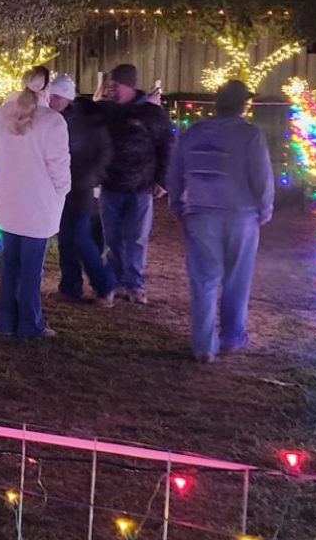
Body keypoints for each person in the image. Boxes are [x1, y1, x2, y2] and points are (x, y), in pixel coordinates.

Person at [167, 79, 274, 362]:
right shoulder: (250, 134)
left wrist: (177, 205)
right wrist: (265, 209)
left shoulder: (192, 133)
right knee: (238, 277)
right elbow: (261, 176)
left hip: (201, 212)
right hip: (241, 214)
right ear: (243, 106)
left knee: (204, 279)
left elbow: (175, 173)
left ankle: (203, 345)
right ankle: (232, 336)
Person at [0, 70, 71, 339]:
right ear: (47, 88)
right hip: (39, 203)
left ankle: (6, 320)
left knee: (10, 263)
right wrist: (63, 190)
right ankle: (29, 325)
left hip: (7, 200)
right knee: (31, 268)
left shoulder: (1, 115)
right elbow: (58, 164)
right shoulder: (53, 121)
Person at [99, 63, 173, 303]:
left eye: (115, 85)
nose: (111, 90)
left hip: (140, 186)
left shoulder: (151, 114)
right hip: (111, 184)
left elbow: (166, 146)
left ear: (128, 85)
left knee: (136, 238)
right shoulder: (108, 111)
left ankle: (134, 284)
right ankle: (114, 281)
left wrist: (162, 179)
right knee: (112, 237)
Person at [47, 74, 116, 306]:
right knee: (66, 238)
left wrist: (91, 177)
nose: (53, 101)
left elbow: (103, 151)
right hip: (62, 187)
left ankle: (104, 285)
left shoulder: (86, 121)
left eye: (57, 97)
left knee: (79, 236)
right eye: (51, 96)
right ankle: (70, 286)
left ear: (68, 98)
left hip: (81, 187)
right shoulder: (55, 119)